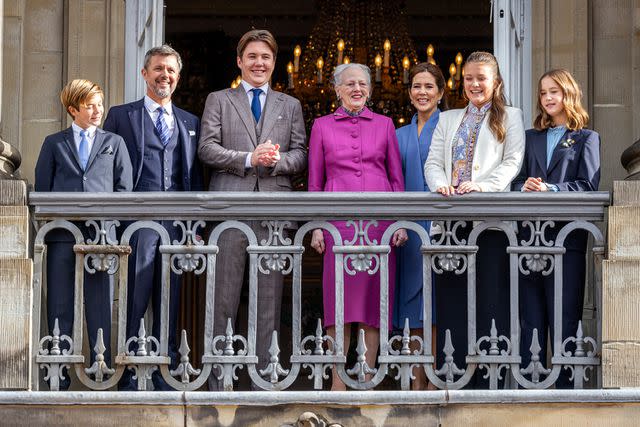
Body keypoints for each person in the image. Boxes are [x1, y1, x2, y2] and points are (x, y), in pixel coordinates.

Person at [198, 29, 307, 390]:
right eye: (253, 57)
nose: (259, 63)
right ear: (240, 61)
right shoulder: (219, 100)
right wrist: (248, 157)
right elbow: (207, 149)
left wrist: (275, 162)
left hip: (274, 213)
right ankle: (218, 379)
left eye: (266, 57)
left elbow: (301, 154)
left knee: (269, 299)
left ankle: (265, 378)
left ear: (274, 63)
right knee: (223, 296)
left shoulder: (289, 105)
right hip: (230, 207)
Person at [103, 45, 202, 390]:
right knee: (135, 294)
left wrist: (196, 226)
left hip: (176, 223)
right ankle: (127, 373)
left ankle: (165, 371)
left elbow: (195, 177)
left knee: (169, 298)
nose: (165, 75)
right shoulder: (120, 115)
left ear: (178, 77)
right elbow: (108, 167)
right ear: (145, 74)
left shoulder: (190, 122)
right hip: (136, 220)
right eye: (159, 68)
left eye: (171, 70)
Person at [424, 51, 525, 388]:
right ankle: (452, 377)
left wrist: (481, 188)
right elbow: (433, 161)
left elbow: (512, 163)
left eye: (481, 78)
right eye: (468, 78)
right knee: (452, 301)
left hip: (490, 223)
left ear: (495, 82)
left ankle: (488, 379)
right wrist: (440, 184)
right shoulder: (448, 118)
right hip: (451, 220)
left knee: (490, 300)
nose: (474, 84)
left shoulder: (511, 116)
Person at [308, 62, 407, 391]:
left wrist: (400, 223)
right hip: (338, 223)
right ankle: (337, 379)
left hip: (379, 223)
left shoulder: (386, 125)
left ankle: (368, 376)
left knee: (374, 302)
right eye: (349, 84)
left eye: (362, 84)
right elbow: (315, 182)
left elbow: (396, 178)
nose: (357, 89)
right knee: (338, 303)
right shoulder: (322, 126)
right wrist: (317, 226)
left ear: (370, 89)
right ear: (336, 89)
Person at [35, 79, 133, 389]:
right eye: (90, 105)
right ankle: (57, 378)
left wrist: (111, 228)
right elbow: (43, 188)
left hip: (100, 236)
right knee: (60, 306)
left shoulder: (113, 143)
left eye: (100, 104)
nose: (97, 110)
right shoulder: (54, 143)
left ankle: (101, 375)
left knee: (99, 304)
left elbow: (124, 190)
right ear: (72, 109)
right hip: (63, 235)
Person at [512, 69, 600, 388]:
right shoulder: (529, 136)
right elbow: (517, 179)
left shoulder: (587, 138)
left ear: (568, 95)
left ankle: (564, 390)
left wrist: (550, 189)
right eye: (543, 93)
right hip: (528, 240)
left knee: (565, 318)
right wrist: (525, 186)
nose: (548, 98)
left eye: (554, 92)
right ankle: (527, 388)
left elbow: (589, 185)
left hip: (567, 241)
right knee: (530, 320)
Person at [394, 62, 447, 390]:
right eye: (416, 86)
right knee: (412, 306)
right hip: (405, 229)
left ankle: (436, 380)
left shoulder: (451, 127)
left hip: (440, 225)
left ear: (441, 92)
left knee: (437, 303)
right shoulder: (397, 133)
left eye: (429, 86)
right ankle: (416, 382)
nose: (422, 92)